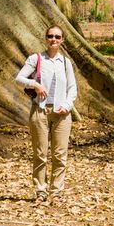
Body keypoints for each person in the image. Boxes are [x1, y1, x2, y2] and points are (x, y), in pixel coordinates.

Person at [15, 25, 77, 203]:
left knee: (60, 154)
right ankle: (40, 191)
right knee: (40, 153)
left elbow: (72, 88)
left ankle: (56, 192)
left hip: (62, 114)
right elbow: (19, 78)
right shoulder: (36, 59)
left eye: (57, 37)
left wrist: (66, 105)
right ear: (45, 39)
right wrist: (35, 85)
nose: (54, 40)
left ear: (62, 40)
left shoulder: (65, 63)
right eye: (50, 36)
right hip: (40, 111)